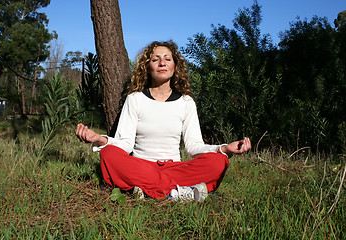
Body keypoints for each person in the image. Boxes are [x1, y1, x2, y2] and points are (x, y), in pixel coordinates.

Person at [76, 40, 251, 201]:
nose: (162, 63)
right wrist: (100, 139)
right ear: (147, 67)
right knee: (109, 154)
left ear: (175, 66)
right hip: (142, 166)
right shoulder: (135, 99)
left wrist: (224, 148)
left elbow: (194, 146)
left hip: (175, 168)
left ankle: (147, 189)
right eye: (155, 59)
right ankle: (180, 192)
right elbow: (125, 143)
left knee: (218, 161)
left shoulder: (186, 102)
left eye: (167, 59)